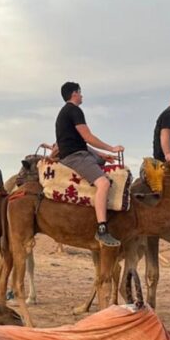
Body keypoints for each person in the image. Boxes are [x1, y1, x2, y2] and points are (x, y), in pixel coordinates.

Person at [55, 82, 124, 247]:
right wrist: (111, 148)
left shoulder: (65, 112)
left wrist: (102, 155)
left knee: (105, 165)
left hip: (80, 153)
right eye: (80, 92)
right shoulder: (74, 110)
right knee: (104, 183)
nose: (82, 95)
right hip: (76, 157)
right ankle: (102, 228)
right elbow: (88, 137)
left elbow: (80, 142)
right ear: (74, 94)